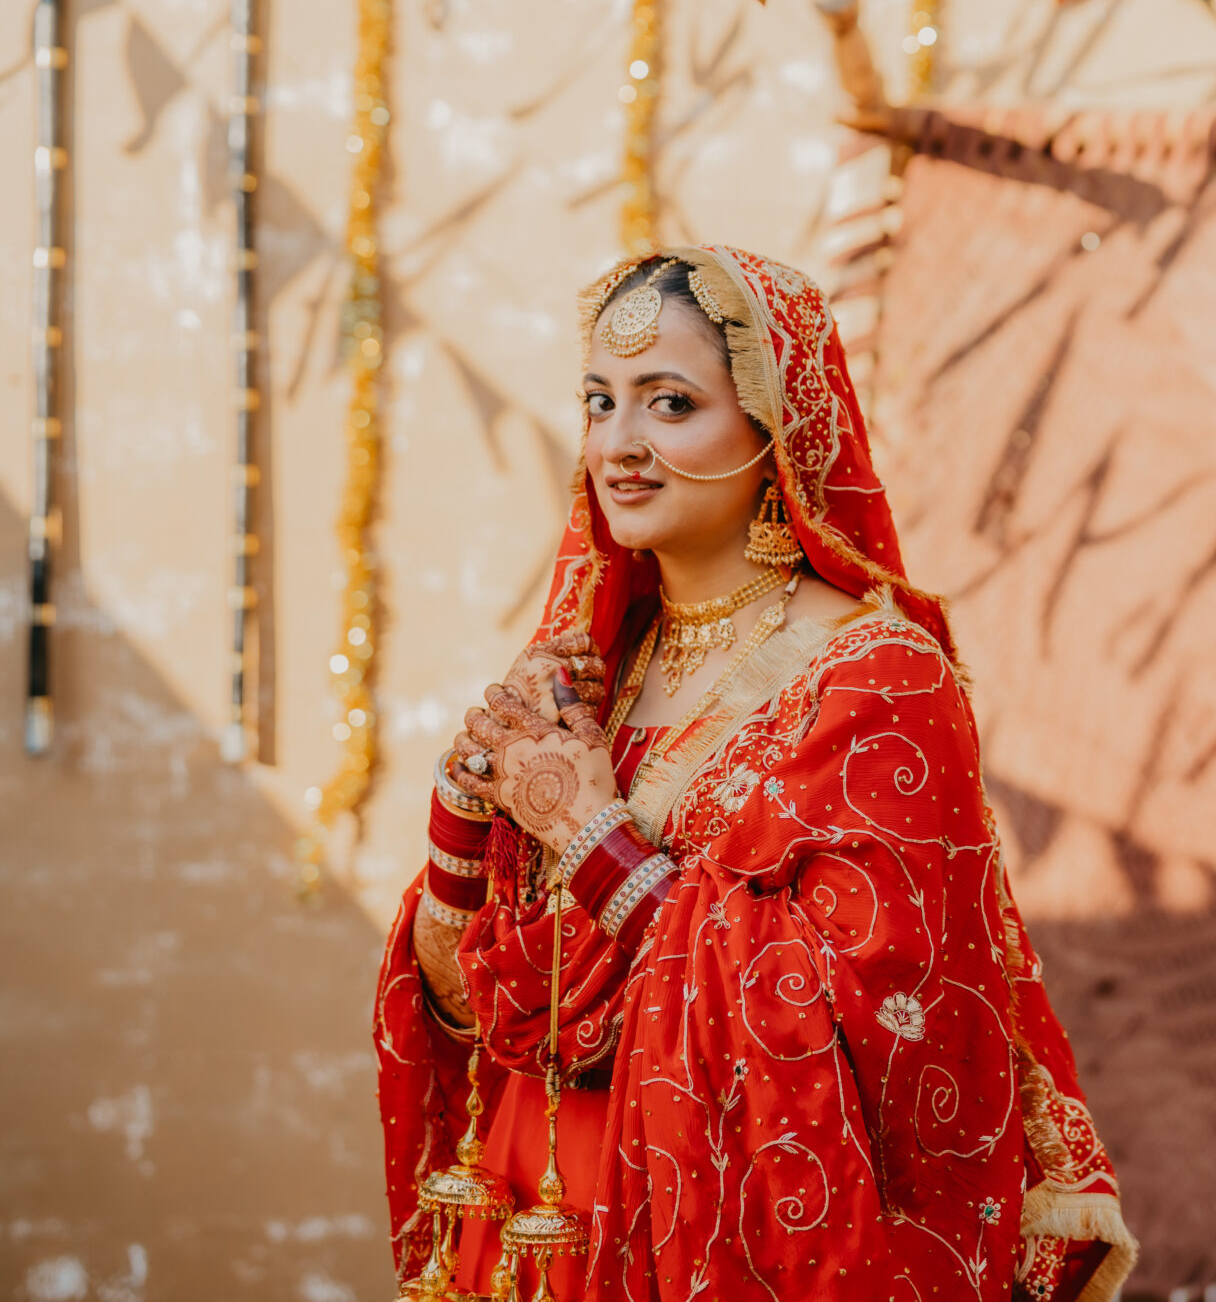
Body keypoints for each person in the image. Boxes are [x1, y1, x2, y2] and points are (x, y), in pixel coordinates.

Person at [373, 246, 1138, 1301]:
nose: (619, 444)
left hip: (716, 1232)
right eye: (600, 402)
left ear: (775, 428)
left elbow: (862, 1036)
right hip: (526, 1223)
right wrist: (465, 818)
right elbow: (478, 1005)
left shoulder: (876, 677)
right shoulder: (596, 664)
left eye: (670, 403)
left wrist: (594, 841)